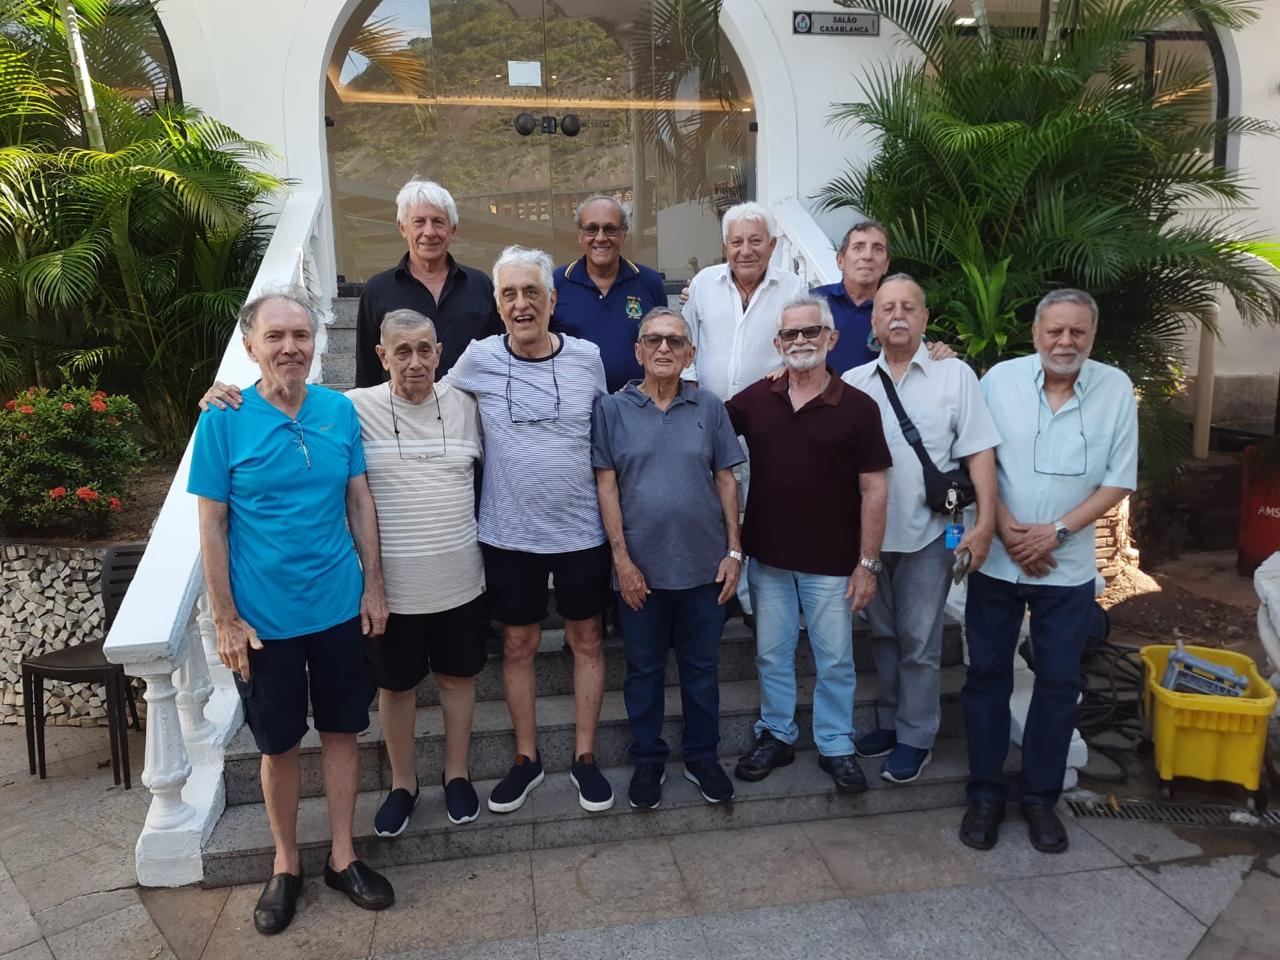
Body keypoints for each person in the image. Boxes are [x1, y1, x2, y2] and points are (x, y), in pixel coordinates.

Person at [189, 291, 394, 935]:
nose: (290, 348)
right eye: (275, 336)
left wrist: (374, 586)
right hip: (263, 623)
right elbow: (212, 525)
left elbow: (359, 501)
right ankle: (286, 864)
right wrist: (225, 618)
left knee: (342, 732)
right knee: (277, 746)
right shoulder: (223, 419)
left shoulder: (337, 410)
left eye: (301, 335)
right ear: (250, 345)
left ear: (315, 343)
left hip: (337, 608)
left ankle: (342, 856)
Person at [960, 288, 1138, 855]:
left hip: (1067, 567)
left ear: (1092, 336)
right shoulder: (999, 381)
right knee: (987, 676)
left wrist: (1056, 531)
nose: (1065, 342)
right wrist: (1005, 525)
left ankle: (1041, 799)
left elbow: (1119, 478)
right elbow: (978, 460)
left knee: (1060, 683)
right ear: (1036, 334)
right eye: (1055, 331)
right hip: (998, 560)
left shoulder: (1115, 389)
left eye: (1077, 332)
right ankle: (984, 795)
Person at [446, 245, 615, 814]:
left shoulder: (588, 358)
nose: (522, 304)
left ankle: (585, 756)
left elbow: (607, 430)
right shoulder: (478, 359)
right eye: (509, 294)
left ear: (552, 299)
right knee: (518, 644)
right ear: (497, 304)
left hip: (581, 531)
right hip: (508, 533)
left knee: (586, 639)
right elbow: (420, 397)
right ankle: (527, 758)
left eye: (532, 292)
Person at [725, 296, 891, 792]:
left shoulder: (858, 407)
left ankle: (836, 744)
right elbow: (705, 428)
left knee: (835, 660)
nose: (801, 341)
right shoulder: (757, 399)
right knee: (771, 655)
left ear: (831, 338)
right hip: (769, 558)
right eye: (790, 334)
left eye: (811, 331)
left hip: (833, 562)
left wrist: (868, 563)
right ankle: (776, 734)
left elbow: (874, 489)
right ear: (778, 344)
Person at [842, 275, 1000, 784]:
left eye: (908, 307)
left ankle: (916, 737)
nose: (898, 316)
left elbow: (979, 452)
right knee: (884, 634)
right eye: (887, 308)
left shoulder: (955, 376)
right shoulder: (853, 383)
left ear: (925, 318)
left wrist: (985, 524)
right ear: (873, 321)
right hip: (870, 538)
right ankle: (891, 723)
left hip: (932, 533)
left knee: (919, 640)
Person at [592, 307, 746, 809]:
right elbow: (606, 486)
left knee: (702, 669)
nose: (664, 348)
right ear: (637, 351)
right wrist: (622, 561)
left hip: (704, 568)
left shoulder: (710, 407)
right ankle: (648, 761)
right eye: (654, 340)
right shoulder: (611, 410)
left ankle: (702, 757)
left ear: (690, 353)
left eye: (675, 341)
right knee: (643, 671)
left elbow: (727, 479)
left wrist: (734, 551)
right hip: (640, 572)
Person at [346, 309, 486, 835]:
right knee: (396, 687)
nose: (415, 362)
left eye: (425, 349)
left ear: (439, 353)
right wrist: (227, 395)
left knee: (457, 679)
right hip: (392, 590)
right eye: (401, 351)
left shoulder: (467, 405)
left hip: (462, 580)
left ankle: (457, 774)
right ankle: (403, 783)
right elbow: (283, 402)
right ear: (381, 356)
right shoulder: (352, 408)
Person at [354, 178, 502, 387]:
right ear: (402, 227)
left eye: (438, 222)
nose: (429, 232)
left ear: (452, 229)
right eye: (419, 222)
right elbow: (367, 371)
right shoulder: (378, 290)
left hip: (470, 405)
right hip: (402, 406)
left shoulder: (480, 286)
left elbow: (499, 358)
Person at [552, 194, 667, 393]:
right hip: (575, 404)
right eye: (591, 229)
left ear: (624, 234)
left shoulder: (649, 282)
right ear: (580, 235)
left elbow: (664, 344)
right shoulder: (557, 282)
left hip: (637, 405)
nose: (600, 237)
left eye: (610, 229)